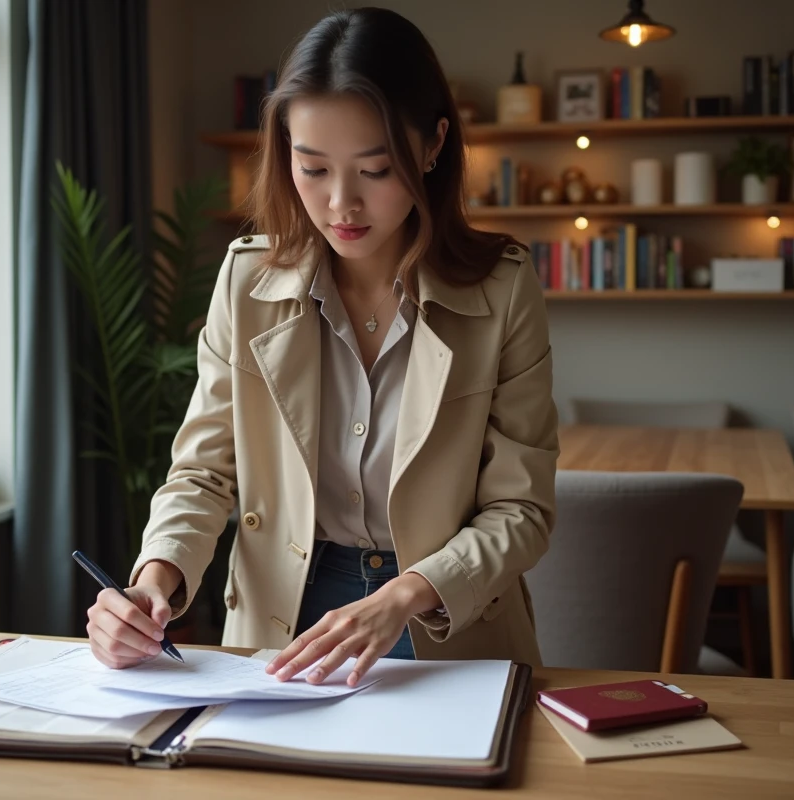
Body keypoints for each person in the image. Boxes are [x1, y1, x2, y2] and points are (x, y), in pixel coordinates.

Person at [85, 6, 558, 688]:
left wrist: (399, 597)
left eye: (376, 168)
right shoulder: (247, 283)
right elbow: (203, 473)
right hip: (281, 618)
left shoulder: (502, 289)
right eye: (312, 169)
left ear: (432, 147)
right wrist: (154, 580)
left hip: (442, 620)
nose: (342, 204)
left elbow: (522, 511)